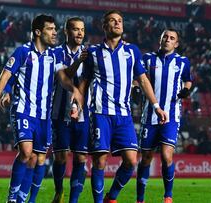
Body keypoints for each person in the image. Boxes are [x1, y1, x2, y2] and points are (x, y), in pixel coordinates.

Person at [0, 14, 83, 203]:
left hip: (44, 115)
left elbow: (62, 77)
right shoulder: (23, 52)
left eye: (55, 29)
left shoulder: (54, 55)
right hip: (24, 109)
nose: (54, 32)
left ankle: (25, 199)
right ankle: (12, 198)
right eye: (50, 29)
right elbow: (5, 76)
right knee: (27, 153)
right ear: (38, 32)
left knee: (37, 159)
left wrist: (74, 90)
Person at [79, 10, 167, 203]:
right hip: (100, 113)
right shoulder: (93, 52)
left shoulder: (132, 51)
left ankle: (113, 196)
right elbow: (84, 82)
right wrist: (77, 104)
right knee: (100, 161)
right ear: (104, 26)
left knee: (131, 161)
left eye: (120, 21)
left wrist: (156, 106)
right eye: (112, 21)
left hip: (124, 115)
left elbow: (143, 80)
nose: (117, 23)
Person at [136, 28, 192, 203]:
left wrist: (186, 90)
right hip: (149, 116)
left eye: (172, 38)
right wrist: (136, 88)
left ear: (176, 43)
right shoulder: (147, 58)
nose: (168, 39)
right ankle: (140, 199)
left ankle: (168, 196)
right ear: (160, 40)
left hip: (171, 116)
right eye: (165, 37)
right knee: (146, 158)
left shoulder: (183, 62)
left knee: (167, 156)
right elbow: (138, 78)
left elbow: (188, 80)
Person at [50, 17, 89, 203]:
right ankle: (59, 190)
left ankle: (73, 200)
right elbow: (64, 78)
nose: (80, 33)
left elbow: (86, 81)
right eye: (75, 29)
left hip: (82, 114)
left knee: (81, 158)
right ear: (67, 31)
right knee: (61, 157)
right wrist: (78, 63)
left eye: (82, 29)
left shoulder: (88, 54)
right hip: (59, 113)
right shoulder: (56, 53)